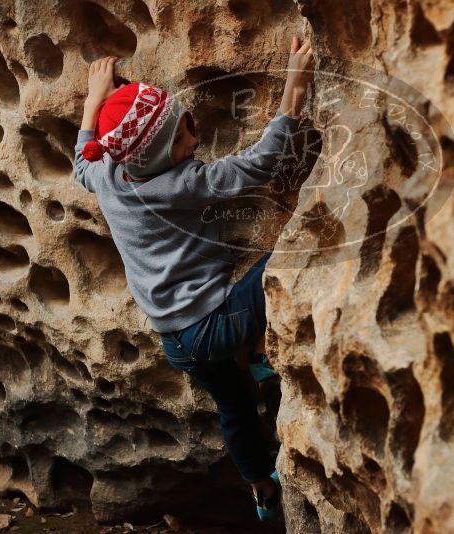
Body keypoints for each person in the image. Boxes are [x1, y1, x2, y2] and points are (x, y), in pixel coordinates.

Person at [72, 36, 315, 521]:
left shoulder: (106, 173)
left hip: (176, 339)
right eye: (181, 140)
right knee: (288, 259)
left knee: (235, 406)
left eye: (185, 125)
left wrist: (95, 101)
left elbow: (81, 157)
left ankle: (261, 490)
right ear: (156, 157)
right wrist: (294, 87)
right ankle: (262, 346)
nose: (194, 140)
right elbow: (260, 163)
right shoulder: (182, 184)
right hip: (213, 323)